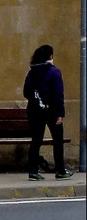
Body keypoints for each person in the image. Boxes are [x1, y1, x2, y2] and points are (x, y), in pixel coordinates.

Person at [23, 44, 73, 180]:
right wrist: (60, 113)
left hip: (34, 110)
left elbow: (26, 92)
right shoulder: (54, 72)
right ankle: (60, 170)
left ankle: (33, 171)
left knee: (36, 140)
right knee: (57, 140)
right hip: (52, 110)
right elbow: (58, 94)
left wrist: (37, 98)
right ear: (50, 56)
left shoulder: (32, 72)